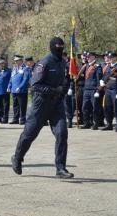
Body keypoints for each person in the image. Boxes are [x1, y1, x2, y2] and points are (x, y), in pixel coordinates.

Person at [11, 37, 73, 179]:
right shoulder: (44, 63)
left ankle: (60, 168)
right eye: (58, 47)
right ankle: (17, 157)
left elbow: (65, 80)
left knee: (62, 133)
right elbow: (35, 85)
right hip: (41, 104)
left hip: (57, 105)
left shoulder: (63, 63)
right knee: (29, 134)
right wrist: (54, 90)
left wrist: (64, 87)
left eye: (62, 47)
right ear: (52, 47)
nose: (60, 50)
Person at [99, 52, 117, 132]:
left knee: (116, 108)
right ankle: (109, 124)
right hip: (108, 90)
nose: (109, 59)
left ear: (115, 58)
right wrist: (102, 81)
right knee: (107, 108)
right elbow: (104, 77)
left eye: (111, 57)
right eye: (109, 58)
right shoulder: (108, 67)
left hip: (115, 90)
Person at [81, 51, 102, 130]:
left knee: (95, 108)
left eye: (89, 57)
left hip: (93, 89)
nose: (87, 58)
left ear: (93, 57)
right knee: (84, 107)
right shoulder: (86, 65)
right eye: (87, 57)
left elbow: (98, 79)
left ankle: (95, 123)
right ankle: (87, 123)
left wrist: (97, 90)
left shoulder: (97, 66)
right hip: (86, 89)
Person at [8, 55, 30, 125]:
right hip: (14, 90)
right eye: (15, 61)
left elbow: (25, 79)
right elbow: (11, 78)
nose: (16, 62)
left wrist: (20, 87)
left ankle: (23, 119)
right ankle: (15, 119)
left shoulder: (25, 68)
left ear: (21, 61)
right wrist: (9, 86)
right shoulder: (14, 68)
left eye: (17, 61)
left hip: (22, 90)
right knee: (15, 105)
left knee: (22, 105)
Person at [63, 52, 75, 128]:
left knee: (67, 105)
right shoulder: (59, 64)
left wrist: (71, 88)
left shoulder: (69, 65)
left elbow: (72, 78)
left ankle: (69, 120)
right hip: (60, 87)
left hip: (67, 87)